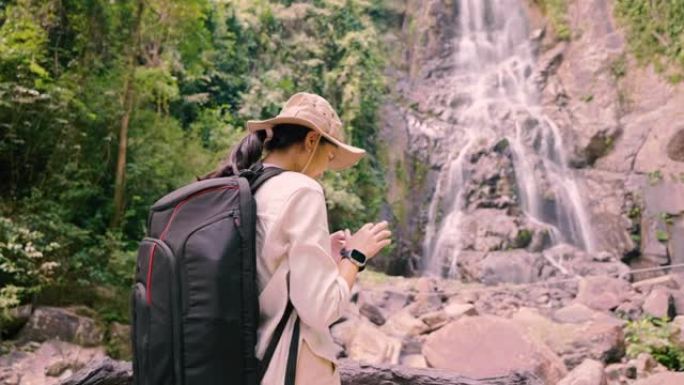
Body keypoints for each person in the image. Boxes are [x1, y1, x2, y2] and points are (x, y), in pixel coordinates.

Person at [219, 92, 392, 385]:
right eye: (330, 155)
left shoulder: (249, 185)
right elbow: (322, 309)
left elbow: (265, 270)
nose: (326, 168)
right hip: (288, 366)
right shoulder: (302, 189)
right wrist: (356, 256)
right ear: (312, 140)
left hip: (250, 363)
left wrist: (324, 253)